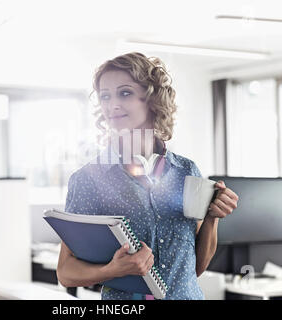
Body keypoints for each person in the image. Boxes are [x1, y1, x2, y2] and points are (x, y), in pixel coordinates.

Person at [56, 52, 239, 300]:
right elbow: (66, 272)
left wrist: (212, 218)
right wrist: (112, 270)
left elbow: (194, 268)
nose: (112, 105)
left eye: (125, 93)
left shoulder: (187, 171)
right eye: (105, 96)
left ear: (152, 98)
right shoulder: (89, 179)